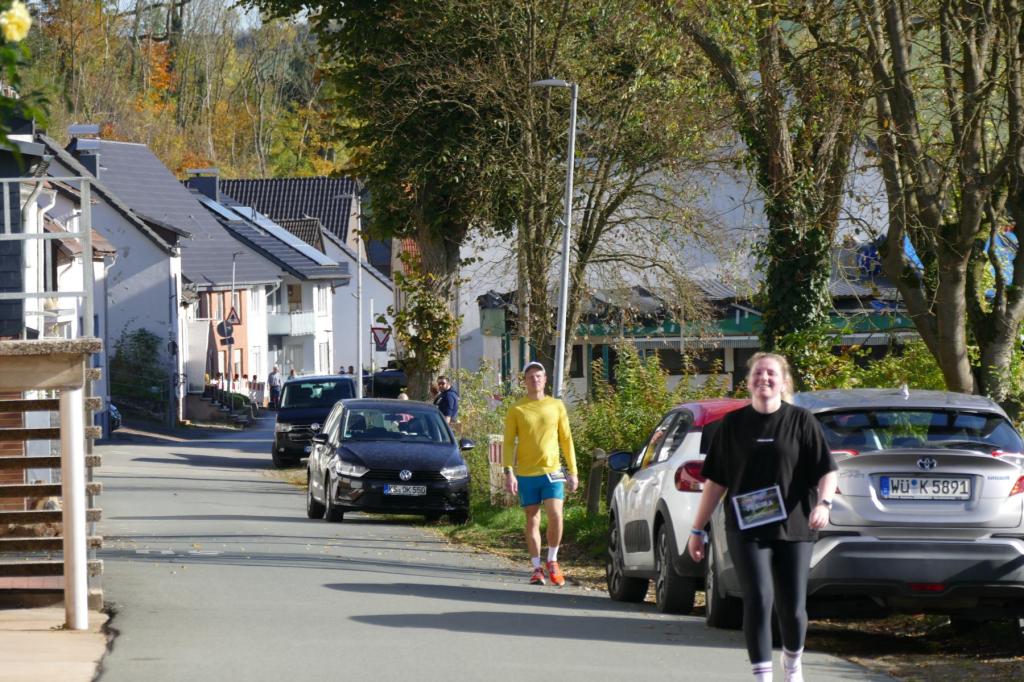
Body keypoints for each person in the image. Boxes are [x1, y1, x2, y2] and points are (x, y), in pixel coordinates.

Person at [687, 352, 838, 682]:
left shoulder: (801, 421)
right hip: (747, 527)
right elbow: (716, 482)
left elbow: (827, 471)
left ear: (784, 382)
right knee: (757, 599)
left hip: (795, 526)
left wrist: (824, 504)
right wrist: (697, 529)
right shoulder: (733, 424)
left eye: (771, 374)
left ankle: (792, 663)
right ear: (748, 381)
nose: (764, 379)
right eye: (757, 373)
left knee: (792, 607)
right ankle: (762, 676)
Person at [502, 361, 578, 587]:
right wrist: (509, 472)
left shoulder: (556, 405)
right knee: (532, 518)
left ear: (545, 380)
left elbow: (566, 439)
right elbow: (508, 443)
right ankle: (537, 567)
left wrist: (573, 471)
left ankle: (552, 560)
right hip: (526, 473)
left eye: (538, 376)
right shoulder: (517, 409)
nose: (535, 379)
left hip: (552, 471)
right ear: (524, 382)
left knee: (556, 514)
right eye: (530, 377)